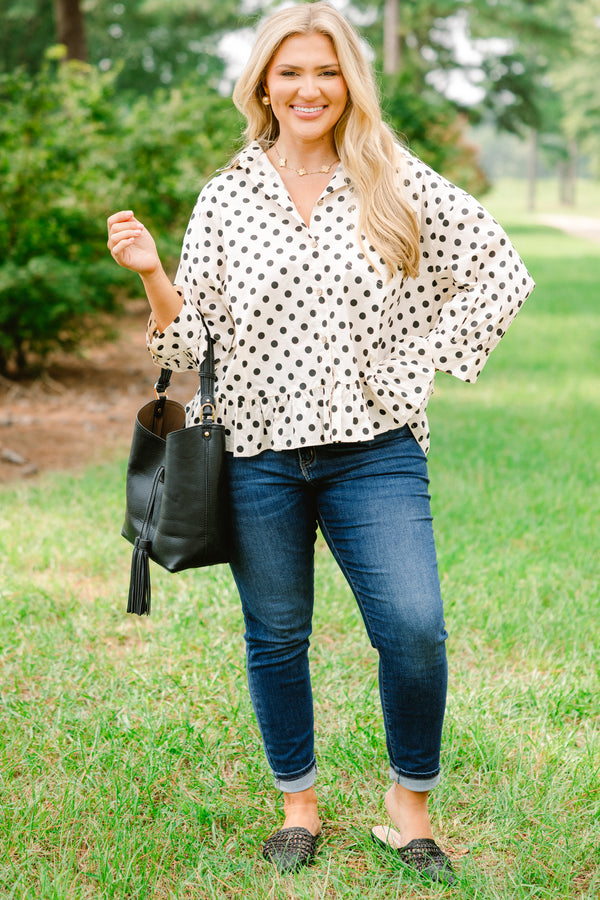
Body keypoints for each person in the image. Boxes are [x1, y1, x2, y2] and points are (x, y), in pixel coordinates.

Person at [107, 1, 534, 882]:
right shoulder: (228, 194)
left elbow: (500, 270)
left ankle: (407, 809)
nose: (310, 88)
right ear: (264, 81)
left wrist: (415, 363)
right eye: (292, 71)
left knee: (415, 629)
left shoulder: (390, 177)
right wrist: (153, 272)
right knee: (276, 634)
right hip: (257, 454)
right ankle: (298, 806)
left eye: (328, 71)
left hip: (373, 449)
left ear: (350, 82)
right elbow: (191, 345)